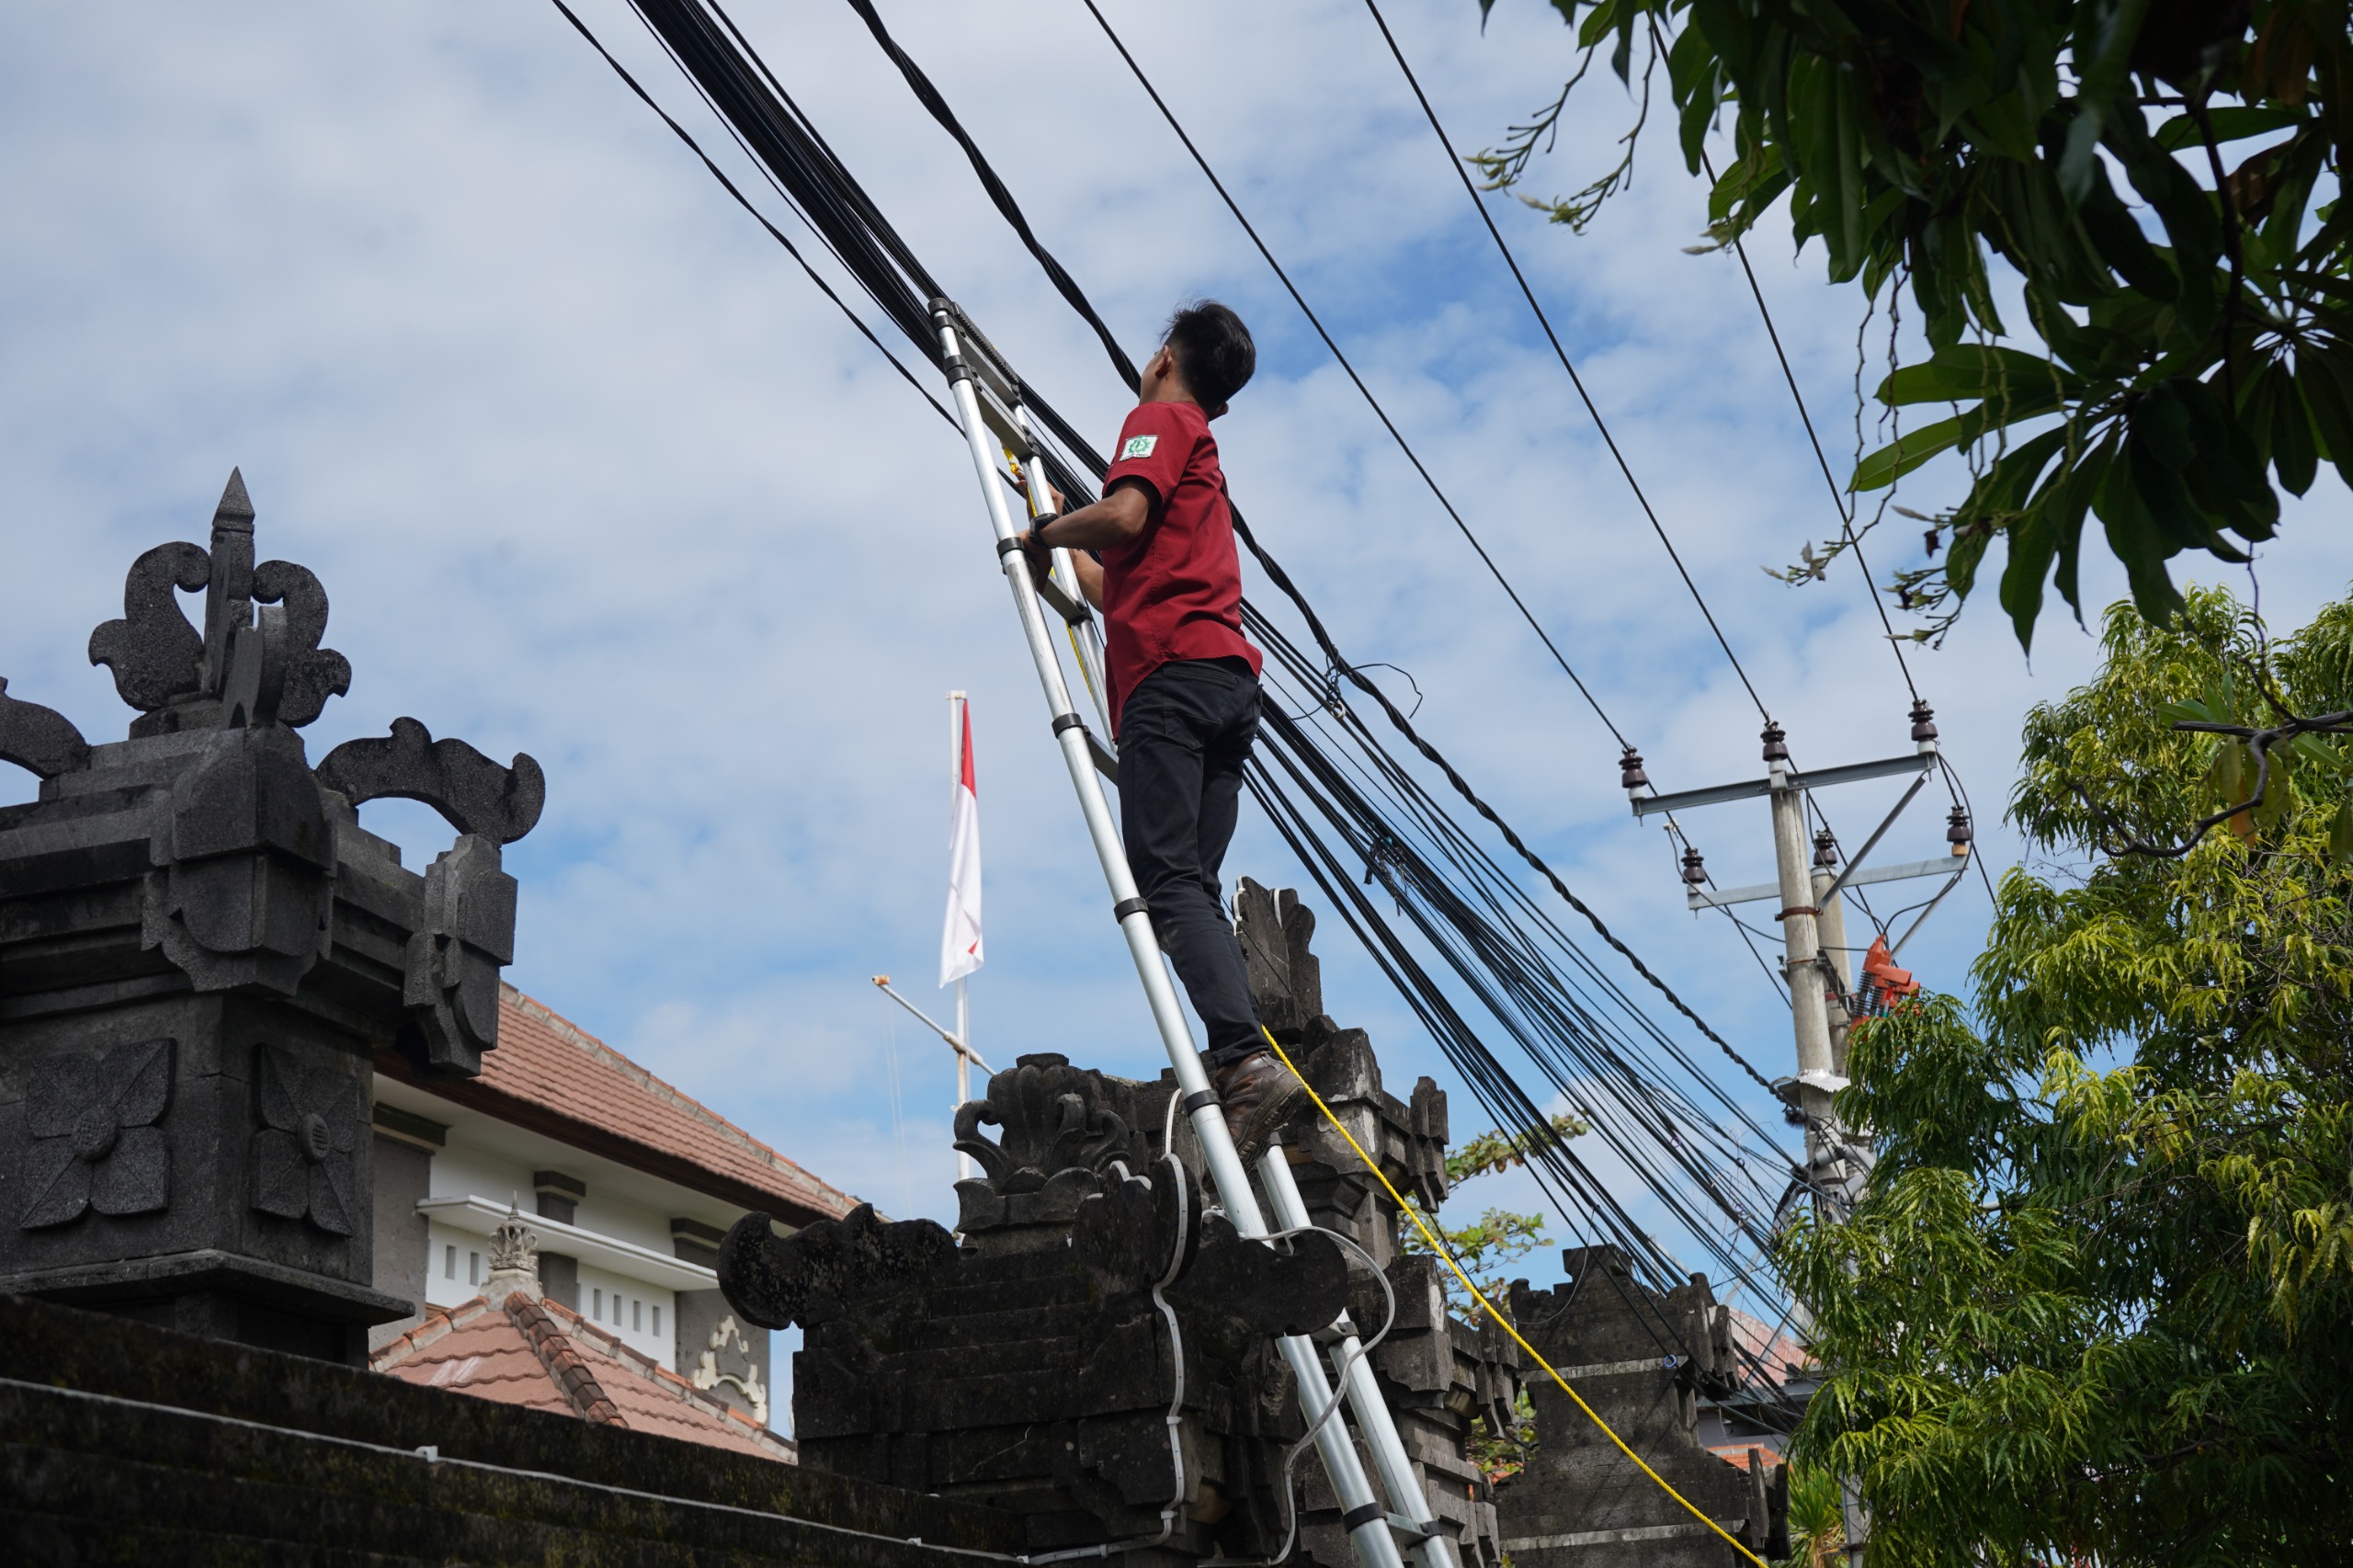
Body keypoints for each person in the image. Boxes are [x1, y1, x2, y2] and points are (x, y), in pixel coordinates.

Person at [1016, 301, 1304, 1159]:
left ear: (1163, 358)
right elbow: (1122, 582)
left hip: (1170, 685)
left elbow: (1126, 517)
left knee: (1167, 879)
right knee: (1192, 889)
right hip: (1225, 685)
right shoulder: (1203, 460)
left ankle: (1247, 1064)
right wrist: (1070, 548)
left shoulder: (1159, 418)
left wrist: (1040, 530)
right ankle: (1240, 1054)